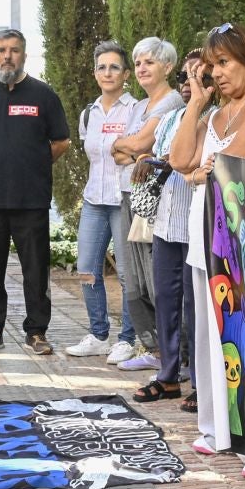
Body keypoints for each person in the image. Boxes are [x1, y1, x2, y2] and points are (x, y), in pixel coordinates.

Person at [171, 24, 245, 455]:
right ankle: (217, 426)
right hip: (205, 237)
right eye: (211, 66)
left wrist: (203, 173)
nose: (216, 73)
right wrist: (196, 103)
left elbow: (233, 161)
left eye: (224, 62)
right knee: (210, 335)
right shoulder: (214, 115)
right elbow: (180, 160)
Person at [0, 29, 70, 356]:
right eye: (2, 50)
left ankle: (37, 331)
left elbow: (61, 141)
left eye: (14, 50)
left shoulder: (43, 95)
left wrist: (33, 163)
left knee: (36, 269)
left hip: (31, 199)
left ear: (24, 55)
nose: (7, 56)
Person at [110, 38, 184, 371]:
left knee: (155, 277)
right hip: (130, 193)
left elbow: (140, 143)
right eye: (138, 62)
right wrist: (132, 150)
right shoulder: (140, 106)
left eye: (149, 62)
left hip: (153, 200)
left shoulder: (170, 101)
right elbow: (118, 153)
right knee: (133, 276)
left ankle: (172, 352)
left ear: (168, 67)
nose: (141, 68)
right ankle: (154, 348)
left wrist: (130, 147)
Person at [136, 51, 205, 404]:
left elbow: (189, 161)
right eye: (184, 77)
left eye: (199, 76)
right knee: (165, 299)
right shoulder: (169, 118)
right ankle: (168, 376)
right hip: (166, 222)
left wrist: (168, 161)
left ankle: (200, 383)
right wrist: (145, 160)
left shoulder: (213, 118)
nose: (189, 84)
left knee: (195, 306)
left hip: (197, 225)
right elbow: (160, 154)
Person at [69, 41, 140, 358]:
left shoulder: (136, 110)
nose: (107, 73)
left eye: (114, 67)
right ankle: (98, 334)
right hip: (94, 201)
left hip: (123, 200)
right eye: (102, 67)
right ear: (95, 73)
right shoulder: (89, 114)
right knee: (87, 269)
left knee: (126, 274)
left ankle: (127, 338)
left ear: (126, 74)